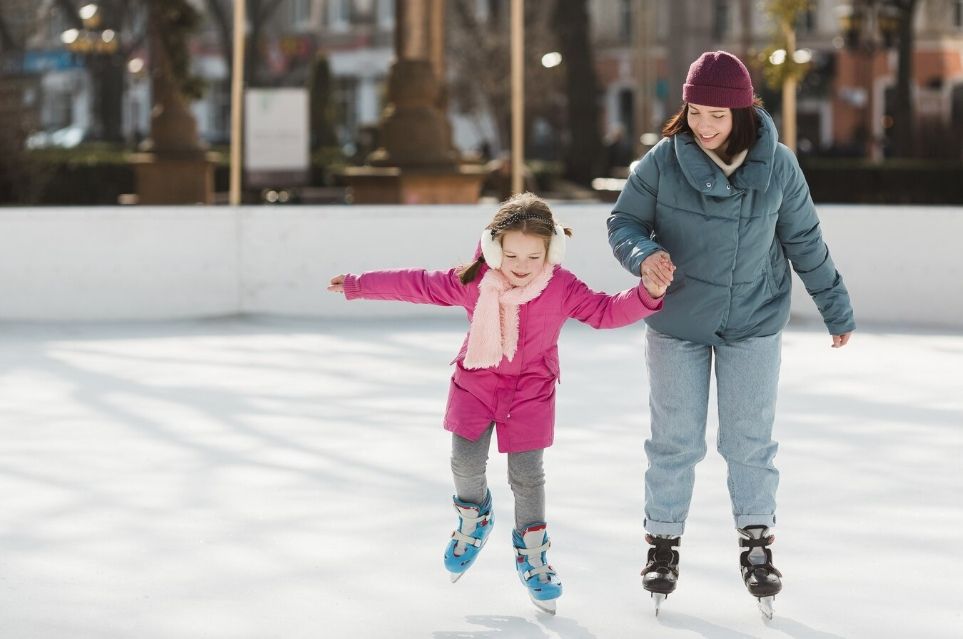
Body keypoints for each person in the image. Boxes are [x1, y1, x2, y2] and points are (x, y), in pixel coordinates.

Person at [328, 192, 664, 613]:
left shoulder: (561, 286)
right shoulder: (474, 280)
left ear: (550, 251)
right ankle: (474, 518)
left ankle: (533, 554)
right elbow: (417, 284)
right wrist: (359, 285)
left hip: (531, 392)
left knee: (527, 476)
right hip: (476, 384)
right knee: (465, 463)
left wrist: (647, 294)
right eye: (511, 255)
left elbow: (604, 311)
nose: (521, 267)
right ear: (493, 248)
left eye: (533, 256)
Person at [607, 51, 855, 618]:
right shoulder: (663, 162)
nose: (705, 125)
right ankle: (663, 543)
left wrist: (834, 307)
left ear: (742, 112)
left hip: (753, 320)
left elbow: (805, 242)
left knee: (749, 441)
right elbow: (623, 222)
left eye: (717, 114)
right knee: (675, 440)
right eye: (695, 112)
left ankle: (757, 542)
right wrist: (644, 255)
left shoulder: (781, 165)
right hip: (677, 322)